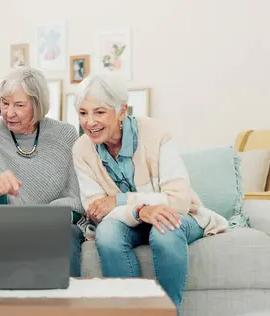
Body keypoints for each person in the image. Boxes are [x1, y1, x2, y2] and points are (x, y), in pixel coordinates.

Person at [71, 72, 228, 314]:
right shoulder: (82, 148)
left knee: (165, 228)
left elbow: (178, 199)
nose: (90, 122)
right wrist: (141, 210)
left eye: (99, 112)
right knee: (107, 234)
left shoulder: (155, 133)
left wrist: (120, 200)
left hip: (181, 214)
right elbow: (96, 209)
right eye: (83, 113)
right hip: (127, 221)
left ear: (122, 111)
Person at [0, 66, 86, 277]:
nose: (9, 112)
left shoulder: (65, 134)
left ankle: (66, 307)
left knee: (66, 237)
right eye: (5, 104)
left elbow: (77, 197)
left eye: (19, 105)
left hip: (58, 223)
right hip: (8, 225)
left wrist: (45, 219)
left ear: (37, 105)